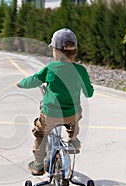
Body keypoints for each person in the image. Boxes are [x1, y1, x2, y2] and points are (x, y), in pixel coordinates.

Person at [16, 28, 94, 176]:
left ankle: (38, 164)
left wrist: (21, 83)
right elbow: (89, 93)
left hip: (50, 113)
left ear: (56, 52)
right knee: (76, 115)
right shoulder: (81, 70)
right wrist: (88, 89)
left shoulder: (50, 68)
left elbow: (33, 80)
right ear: (75, 52)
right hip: (71, 113)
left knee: (40, 132)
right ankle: (73, 139)